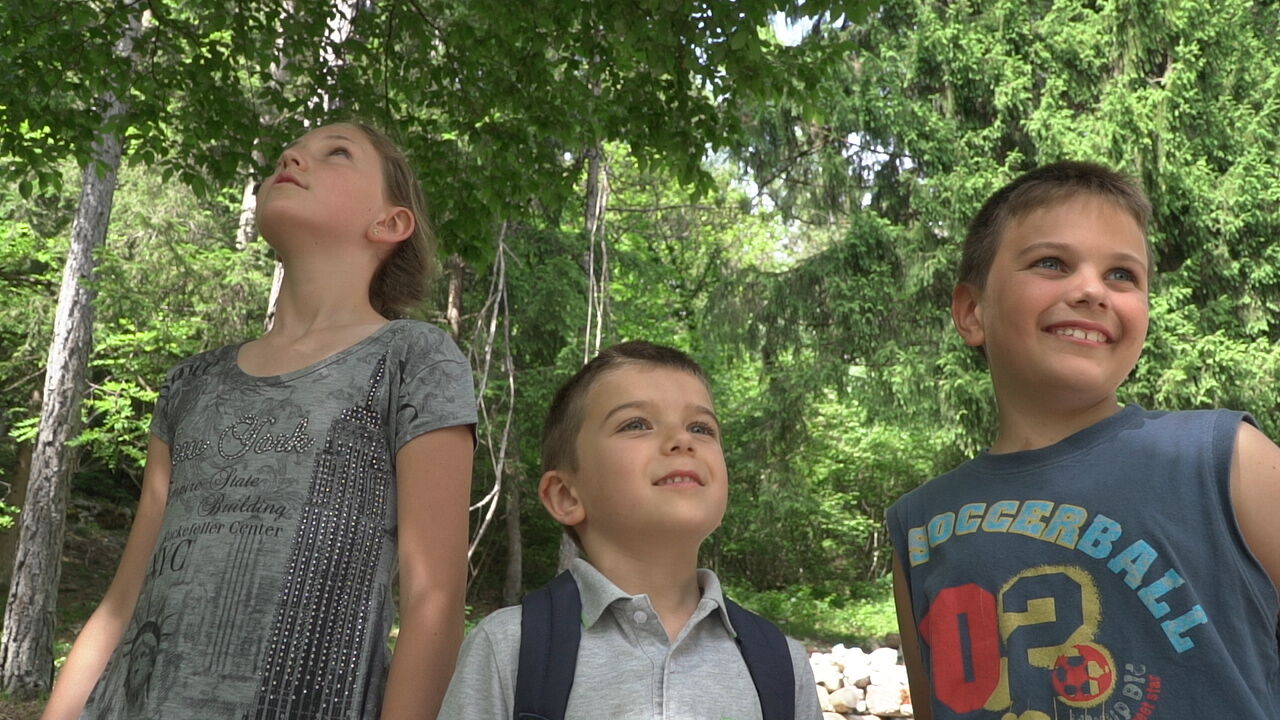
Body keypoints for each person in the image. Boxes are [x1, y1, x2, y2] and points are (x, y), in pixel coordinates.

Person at [42, 122, 477, 720]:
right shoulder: (190, 383)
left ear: (389, 223)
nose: (292, 157)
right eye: (287, 153)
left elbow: (435, 599)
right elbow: (124, 598)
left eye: (337, 153)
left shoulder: (415, 358)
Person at [888, 161, 1280, 719]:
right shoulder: (917, 524)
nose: (1093, 290)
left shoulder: (1227, 458)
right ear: (972, 312)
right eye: (1051, 263)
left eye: (1122, 274)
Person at [438, 341, 821, 719]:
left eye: (701, 428)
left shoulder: (782, 665)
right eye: (636, 424)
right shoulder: (511, 649)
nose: (683, 440)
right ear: (566, 496)